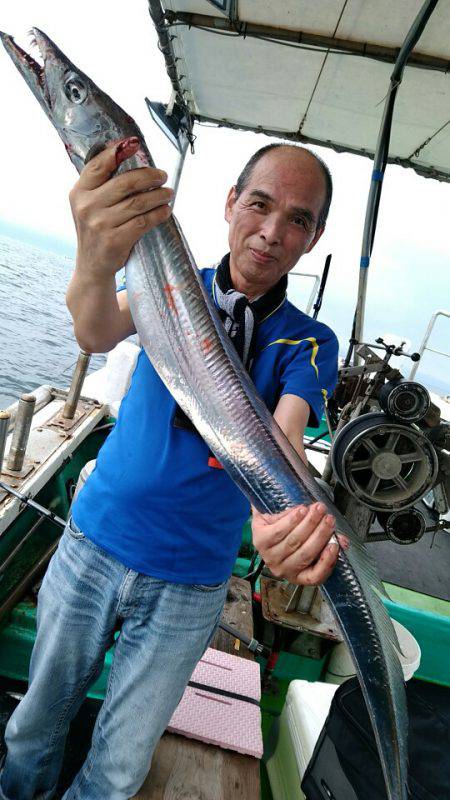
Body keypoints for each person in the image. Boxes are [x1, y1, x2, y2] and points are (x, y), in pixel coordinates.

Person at [0, 142, 344, 800]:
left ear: (314, 236)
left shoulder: (307, 341)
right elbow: (96, 329)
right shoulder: (167, 281)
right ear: (230, 204)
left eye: (297, 220)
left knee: (121, 769)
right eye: (260, 205)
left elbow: (286, 433)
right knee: (31, 729)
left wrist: (280, 515)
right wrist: (96, 262)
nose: (271, 232)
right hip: (90, 548)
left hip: (189, 590)